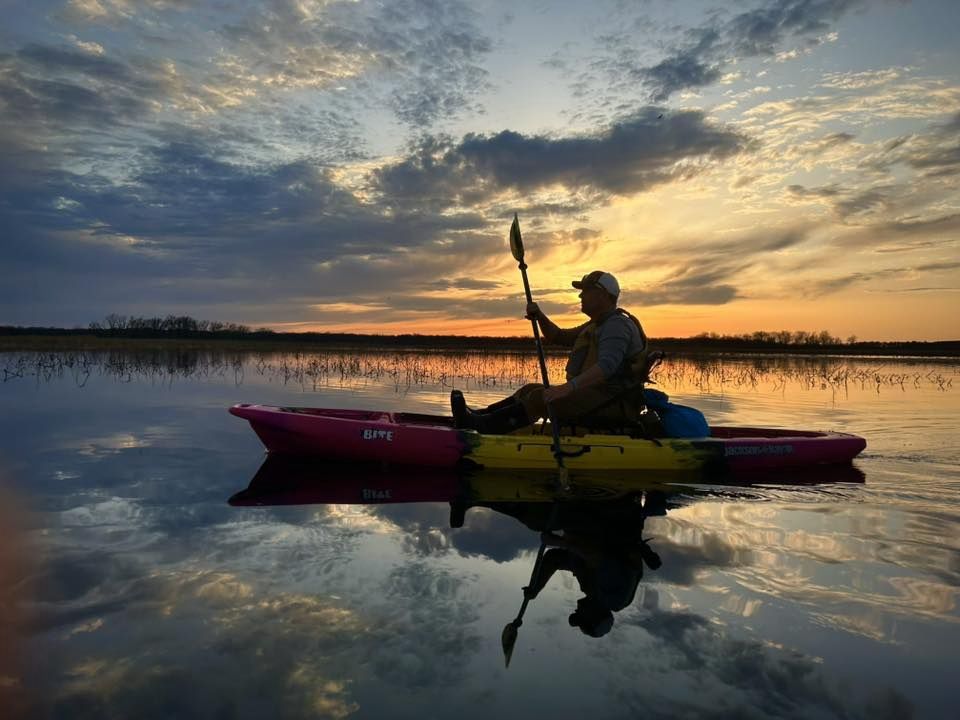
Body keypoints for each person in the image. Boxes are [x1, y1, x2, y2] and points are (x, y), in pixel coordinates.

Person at [451, 270, 651, 434]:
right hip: (595, 397)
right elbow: (559, 336)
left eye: (586, 291)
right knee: (529, 390)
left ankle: (483, 427)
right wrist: (539, 316)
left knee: (539, 398)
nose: (580, 296)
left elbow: (606, 367)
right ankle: (480, 417)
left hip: (612, 404)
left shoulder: (617, 326)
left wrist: (568, 388)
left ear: (602, 295)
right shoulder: (597, 324)